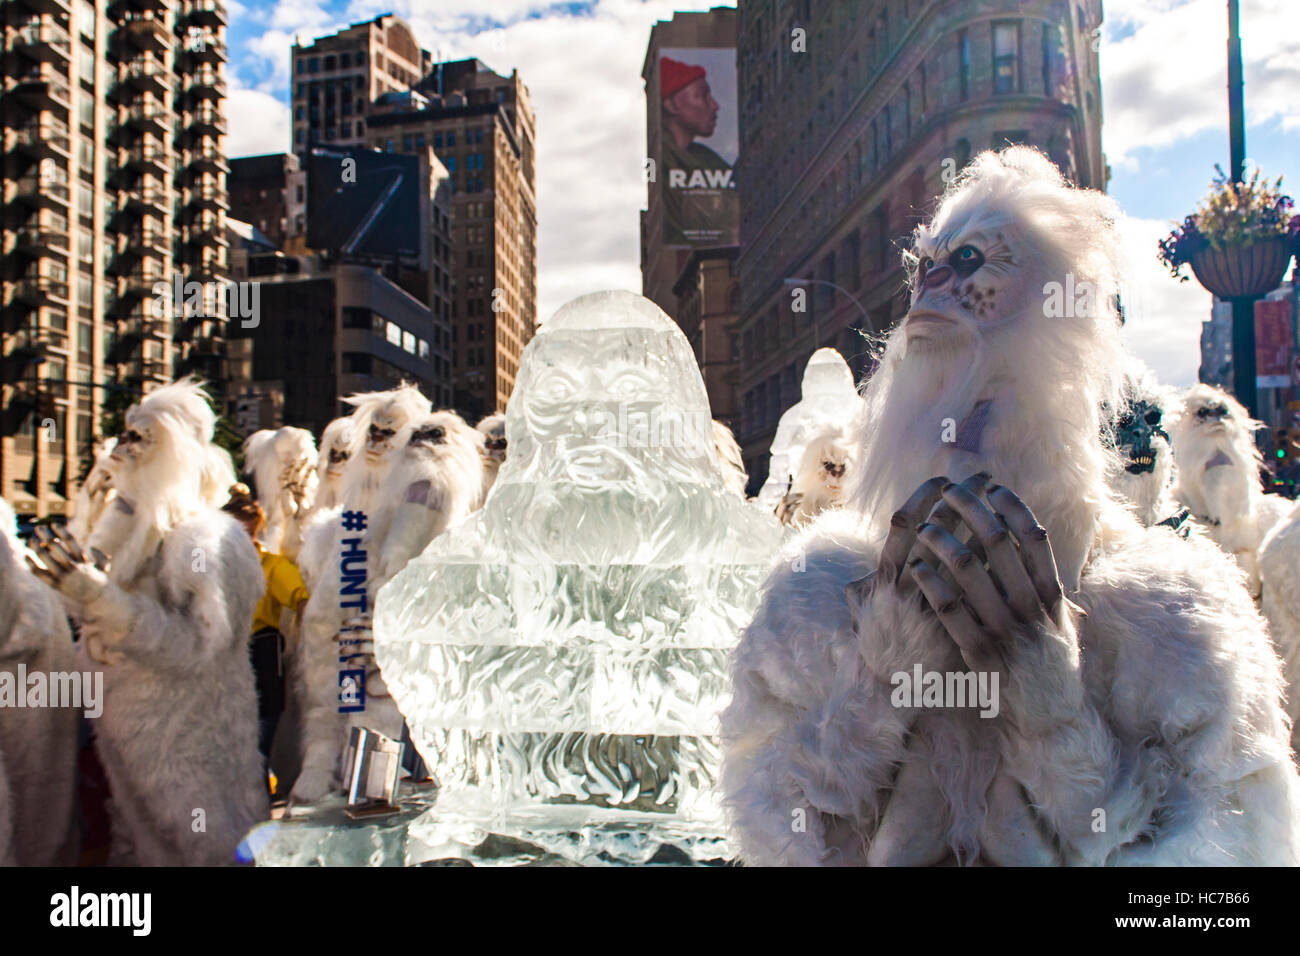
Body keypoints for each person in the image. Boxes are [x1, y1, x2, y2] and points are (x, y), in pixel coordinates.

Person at [223, 483, 309, 780]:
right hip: (224, 655)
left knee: (259, 739)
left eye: (246, 536)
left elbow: (301, 596)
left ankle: (257, 792)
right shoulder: (209, 567)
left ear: (256, 532)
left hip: (261, 653)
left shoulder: (271, 566)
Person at [659, 56, 737, 245]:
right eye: (702, 95)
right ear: (671, 105)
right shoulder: (664, 164)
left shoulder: (706, 158)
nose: (715, 105)